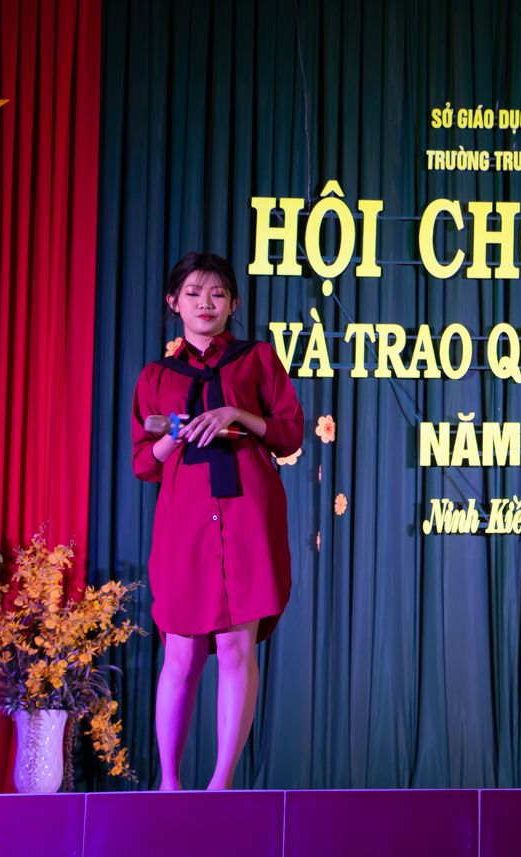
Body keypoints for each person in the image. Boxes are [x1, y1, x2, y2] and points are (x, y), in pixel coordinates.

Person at [131, 252, 303, 790]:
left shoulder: (257, 359)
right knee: (181, 652)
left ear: (233, 303)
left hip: (247, 512)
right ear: (173, 302)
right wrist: (173, 434)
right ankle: (169, 783)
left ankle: (220, 783)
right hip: (185, 521)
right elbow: (143, 464)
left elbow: (289, 433)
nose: (205, 303)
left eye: (217, 294)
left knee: (235, 646)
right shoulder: (157, 375)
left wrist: (236, 414)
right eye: (193, 293)